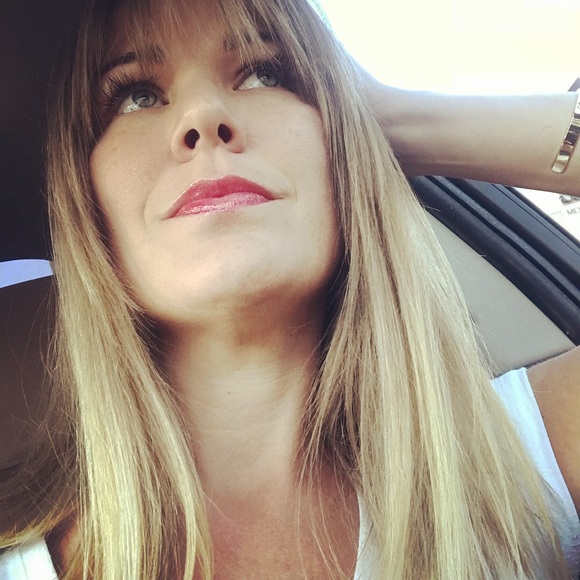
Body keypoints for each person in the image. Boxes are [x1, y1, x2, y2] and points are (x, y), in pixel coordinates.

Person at [0, 0, 579, 577]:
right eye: (138, 96)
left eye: (265, 74)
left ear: (338, 151)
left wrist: (391, 122)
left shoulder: (521, 464)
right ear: (90, 204)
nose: (203, 115)